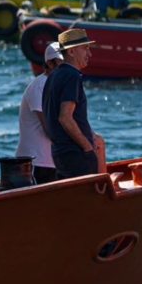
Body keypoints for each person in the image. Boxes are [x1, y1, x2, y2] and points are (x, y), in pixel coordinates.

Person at [42, 28, 106, 179]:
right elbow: (65, 117)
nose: (89, 54)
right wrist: (88, 148)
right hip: (76, 154)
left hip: (59, 153)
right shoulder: (72, 75)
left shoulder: (53, 75)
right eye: (85, 49)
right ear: (71, 52)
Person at [16, 41, 64, 184]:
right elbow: (50, 129)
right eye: (62, 62)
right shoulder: (39, 86)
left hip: (50, 162)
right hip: (35, 163)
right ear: (50, 64)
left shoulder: (56, 86)